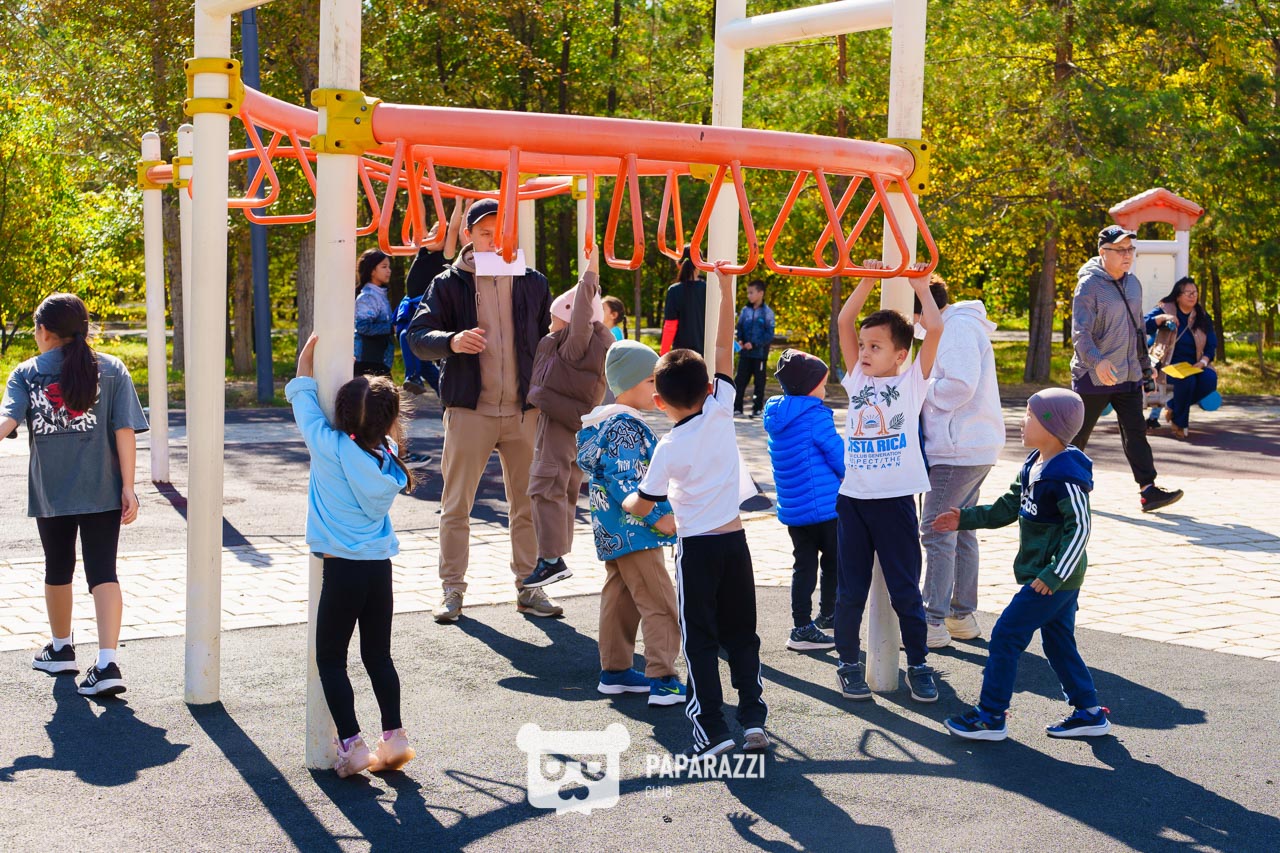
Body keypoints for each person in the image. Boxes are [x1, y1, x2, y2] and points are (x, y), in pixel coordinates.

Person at [623, 264, 768, 758]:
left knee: (700, 640)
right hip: (735, 543)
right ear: (708, 388)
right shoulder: (721, 407)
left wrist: (631, 502)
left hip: (697, 549)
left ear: (658, 400)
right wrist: (724, 290)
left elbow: (643, 502)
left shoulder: (668, 447)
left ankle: (712, 728)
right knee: (742, 635)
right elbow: (724, 349)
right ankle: (753, 720)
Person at [407, 198, 561, 622]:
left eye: (501, 233)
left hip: (525, 413)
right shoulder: (447, 282)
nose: (494, 241)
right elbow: (417, 337)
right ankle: (452, 590)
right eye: (485, 233)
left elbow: (550, 343)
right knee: (456, 505)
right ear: (468, 235)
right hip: (469, 410)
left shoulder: (533, 281)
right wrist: (452, 341)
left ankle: (529, 587)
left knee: (527, 505)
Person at [938, 388, 1111, 742]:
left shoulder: (1065, 475)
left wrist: (1054, 574)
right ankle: (1089, 712)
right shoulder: (1034, 464)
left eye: (1030, 415)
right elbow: (1007, 507)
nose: (1022, 420)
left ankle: (990, 716)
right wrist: (964, 518)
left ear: (1051, 426)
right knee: (1058, 642)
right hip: (1047, 576)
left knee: (1006, 635)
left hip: (1054, 579)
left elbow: (1080, 528)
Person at [1, 293, 148, 697]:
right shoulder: (112, 369)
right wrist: (128, 487)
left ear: (43, 331)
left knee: (57, 567)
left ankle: (62, 648)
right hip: (103, 489)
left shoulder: (27, 372)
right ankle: (107, 663)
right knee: (104, 572)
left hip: (52, 492)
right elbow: (124, 430)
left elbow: (7, 420)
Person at [286, 334, 416, 777]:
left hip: (341, 571)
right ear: (389, 420)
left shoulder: (328, 445)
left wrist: (306, 362)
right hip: (379, 569)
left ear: (341, 415)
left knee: (330, 659)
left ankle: (352, 745)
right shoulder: (389, 457)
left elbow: (303, 402)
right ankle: (394, 737)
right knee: (378, 656)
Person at [832, 260, 942, 705]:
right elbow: (844, 321)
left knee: (904, 590)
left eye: (875, 346)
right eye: (863, 345)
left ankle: (918, 664)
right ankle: (847, 663)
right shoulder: (856, 380)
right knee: (850, 591)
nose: (864, 352)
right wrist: (866, 280)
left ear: (900, 355)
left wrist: (920, 286)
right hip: (853, 501)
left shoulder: (913, 383)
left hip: (895, 502)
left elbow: (934, 329)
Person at [577, 338, 687, 707]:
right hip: (638, 530)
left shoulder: (604, 424)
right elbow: (625, 481)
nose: (659, 389)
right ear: (627, 384)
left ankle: (615, 671)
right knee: (660, 602)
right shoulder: (625, 426)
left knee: (620, 597)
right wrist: (660, 517)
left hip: (613, 531)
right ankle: (663, 679)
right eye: (651, 382)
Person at [914, 277, 1006, 649]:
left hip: (957, 446)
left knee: (936, 529)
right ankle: (960, 616)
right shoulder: (959, 325)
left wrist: (918, 388)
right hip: (969, 444)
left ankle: (932, 620)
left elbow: (959, 385)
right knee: (960, 527)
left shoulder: (956, 329)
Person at [1070, 225, 1183, 513]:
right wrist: (1097, 361)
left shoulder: (1134, 284)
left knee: (1136, 432)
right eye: (1120, 250)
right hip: (1094, 376)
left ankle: (1148, 490)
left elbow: (1137, 329)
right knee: (1077, 435)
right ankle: (1056, 487)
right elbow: (1080, 333)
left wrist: (1146, 365)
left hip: (1128, 374)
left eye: (1130, 249)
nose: (1127, 255)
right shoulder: (1088, 285)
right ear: (1103, 252)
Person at [521, 249, 614, 588]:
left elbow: (582, 315)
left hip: (561, 424)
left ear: (573, 318)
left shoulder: (578, 346)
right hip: (567, 422)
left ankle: (551, 560)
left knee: (545, 487)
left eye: (554, 318)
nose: (550, 324)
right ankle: (554, 556)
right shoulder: (585, 346)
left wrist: (590, 274)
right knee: (563, 489)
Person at [761, 349, 841, 651]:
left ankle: (801, 625)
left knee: (803, 566)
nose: (825, 389)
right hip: (826, 507)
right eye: (823, 384)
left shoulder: (777, 416)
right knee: (833, 562)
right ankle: (828, 614)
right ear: (809, 386)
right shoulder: (815, 416)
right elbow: (838, 456)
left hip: (795, 509)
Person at [398, 201, 463, 395]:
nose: (432, 236)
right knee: (414, 347)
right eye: (432, 232)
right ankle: (442, 393)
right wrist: (415, 189)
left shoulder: (445, 256)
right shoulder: (423, 251)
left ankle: (413, 376)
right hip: (412, 308)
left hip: (429, 308)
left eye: (439, 234)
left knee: (409, 337)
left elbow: (454, 228)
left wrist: (461, 202)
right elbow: (420, 215)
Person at [1144, 276, 1218, 439]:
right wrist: (1162, 319)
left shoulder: (1202, 316)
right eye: (1188, 293)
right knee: (1187, 381)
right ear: (1178, 296)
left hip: (1194, 365)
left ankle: (1172, 406)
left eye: (1195, 292)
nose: (1193, 296)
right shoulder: (1165, 309)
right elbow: (1142, 325)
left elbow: (1212, 344)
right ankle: (1180, 424)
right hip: (1167, 365)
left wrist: (1203, 362)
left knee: (1210, 380)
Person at [734, 279, 776, 418]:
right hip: (745, 354)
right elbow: (739, 327)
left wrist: (754, 344)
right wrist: (741, 340)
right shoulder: (745, 311)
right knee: (740, 381)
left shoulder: (767, 313)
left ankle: (757, 409)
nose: (749, 296)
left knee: (759, 382)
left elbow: (769, 334)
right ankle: (737, 408)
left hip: (759, 355)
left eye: (751, 293)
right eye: (748, 293)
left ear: (760, 293)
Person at [354, 248, 396, 378]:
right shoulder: (368, 297)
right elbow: (362, 327)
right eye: (384, 267)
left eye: (389, 266)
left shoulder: (380, 294)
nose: (389, 270)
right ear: (372, 271)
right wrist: (391, 328)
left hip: (379, 361)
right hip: (368, 363)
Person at [659, 246, 707, 355]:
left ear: (678, 264)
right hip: (706, 353)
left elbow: (670, 326)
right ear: (700, 264)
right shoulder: (708, 289)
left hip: (681, 355)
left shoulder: (674, 290)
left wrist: (663, 354)